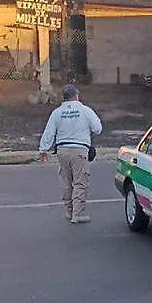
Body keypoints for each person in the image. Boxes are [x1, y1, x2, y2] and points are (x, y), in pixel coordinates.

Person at [39, 84, 103, 224]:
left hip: (62, 150)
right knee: (80, 182)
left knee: (66, 182)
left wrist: (43, 149)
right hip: (79, 150)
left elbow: (49, 132)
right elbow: (97, 129)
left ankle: (69, 211)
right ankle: (78, 213)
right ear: (76, 95)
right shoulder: (85, 110)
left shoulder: (57, 112)